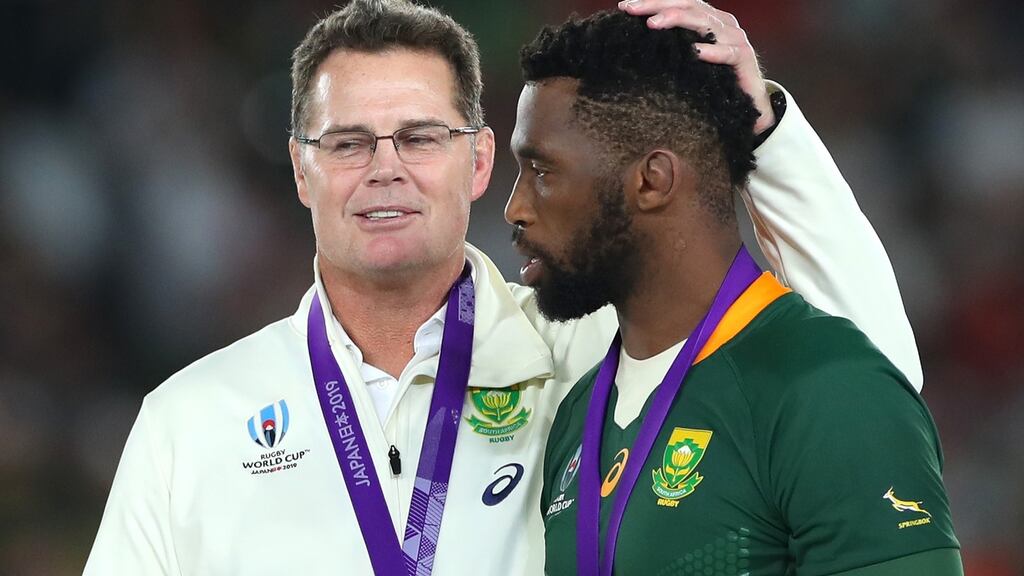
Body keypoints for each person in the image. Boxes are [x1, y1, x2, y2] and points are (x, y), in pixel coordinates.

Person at [84, 1, 923, 574]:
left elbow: (868, 368)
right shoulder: (190, 420)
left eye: (418, 136)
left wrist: (766, 138)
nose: (384, 171)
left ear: (480, 161)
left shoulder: (593, 354)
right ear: (302, 169)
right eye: (346, 143)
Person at [512, 8, 962, 576]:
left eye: (543, 171)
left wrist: (767, 133)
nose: (515, 208)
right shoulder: (581, 410)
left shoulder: (826, 386)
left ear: (652, 180)